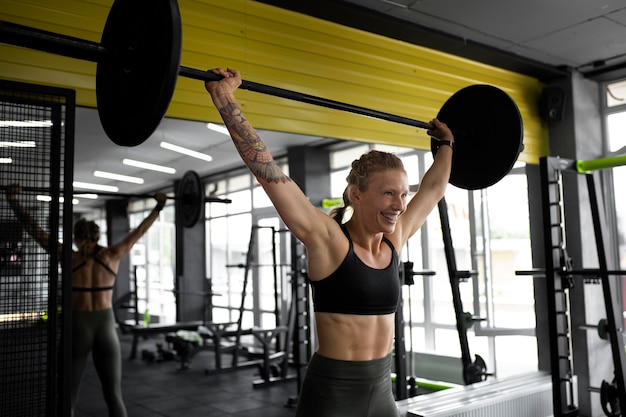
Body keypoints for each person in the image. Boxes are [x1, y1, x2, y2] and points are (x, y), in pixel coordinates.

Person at [205, 68, 454, 417]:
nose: (400, 205)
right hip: (333, 397)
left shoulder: (393, 241)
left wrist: (446, 144)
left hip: (383, 392)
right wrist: (225, 98)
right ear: (356, 195)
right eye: (388, 194)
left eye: (402, 195)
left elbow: (433, 189)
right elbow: (268, 172)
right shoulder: (329, 241)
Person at [5, 185, 167, 417]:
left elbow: (34, 230)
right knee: (114, 396)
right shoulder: (112, 255)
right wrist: (159, 207)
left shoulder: (67, 256)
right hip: (105, 327)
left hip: (77, 327)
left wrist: (13, 201)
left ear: (76, 238)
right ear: (97, 235)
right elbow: (140, 231)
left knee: (68, 398)